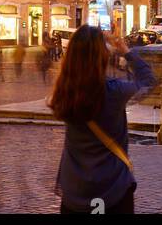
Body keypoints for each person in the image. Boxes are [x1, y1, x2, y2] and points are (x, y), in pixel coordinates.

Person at [49, 25, 155, 214]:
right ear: (101, 56)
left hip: (75, 191)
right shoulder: (114, 91)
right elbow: (147, 81)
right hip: (112, 189)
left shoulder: (64, 92)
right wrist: (126, 51)